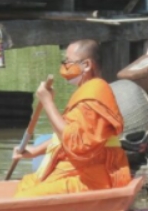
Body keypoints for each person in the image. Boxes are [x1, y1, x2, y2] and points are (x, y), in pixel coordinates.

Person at [12, 39, 131, 198]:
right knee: (26, 184)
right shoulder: (86, 91)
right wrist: (35, 151)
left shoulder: (96, 93)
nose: (64, 67)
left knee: (24, 198)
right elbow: (69, 134)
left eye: (68, 62)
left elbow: (76, 144)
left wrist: (48, 102)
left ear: (87, 65)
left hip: (92, 177)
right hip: (77, 169)